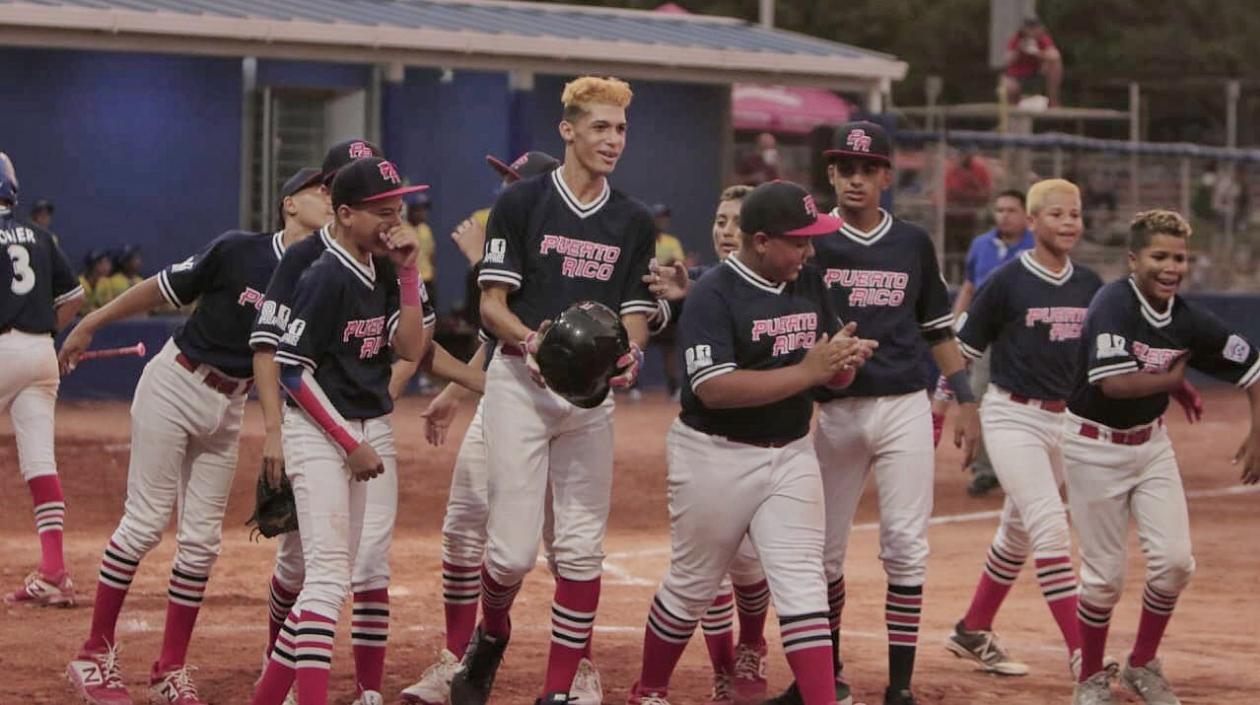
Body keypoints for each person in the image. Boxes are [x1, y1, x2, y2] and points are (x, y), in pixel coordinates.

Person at [60, 164, 329, 705]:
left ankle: (168, 672)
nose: (327, 197)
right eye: (317, 190)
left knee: (202, 544)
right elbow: (160, 289)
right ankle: (93, 655)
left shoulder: (320, 277)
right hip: (176, 384)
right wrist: (91, 323)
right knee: (144, 523)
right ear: (289, 204)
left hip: (229, 407)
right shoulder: (238, 250)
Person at [626, 180, 875, 705]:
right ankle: (648, 690)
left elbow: (830, 371)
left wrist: (840, 366)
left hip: (790, 451)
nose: (809, 250)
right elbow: (715, 390)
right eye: (800, 240)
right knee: (693, 585)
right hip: (714, 455)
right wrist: (810, 371)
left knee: (803, 581)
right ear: (761, 241)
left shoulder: (808, 281)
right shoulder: (713, 295)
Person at [450, 75, 656, 705]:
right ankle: (491, 634)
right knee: (510, 556)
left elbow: (635, 308)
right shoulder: (522, 205)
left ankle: (560, 690)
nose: (612, 140)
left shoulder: (633, 219)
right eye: (599, 126)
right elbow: (491, 304)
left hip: (590, 401)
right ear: (567, 131)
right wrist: (532, 341)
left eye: (620, 128)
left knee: (580, 549)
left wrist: (632, 353)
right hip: (519, 384)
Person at [768, 121, 980, 705]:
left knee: (906, 544)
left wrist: (965, 397)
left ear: (887, 175)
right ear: (831, 175)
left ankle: (901, 687)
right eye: (845, 168)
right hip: (836, 411)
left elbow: (937, 328)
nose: (856, 179)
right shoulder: (815, 243)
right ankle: (824, 674)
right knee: (823, 549)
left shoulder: (911, 242)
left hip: (903, 405)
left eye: (868, 168)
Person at [401, 149, 613, 705]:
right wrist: (454, 391)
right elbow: (498, 336)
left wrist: (475, 260)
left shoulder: (564, 243)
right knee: (464, 525)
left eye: (514, 181)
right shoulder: (513, 230)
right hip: (508, 392)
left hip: (565, 408)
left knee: (567, 546)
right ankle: (456, 659)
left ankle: (578, 669)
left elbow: (526, 317)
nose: (504, 192)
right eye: (504, 182)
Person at [248, 155, 428, 705]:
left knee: (334, 579)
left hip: (356, 430)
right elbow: (291, 370)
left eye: (397, 209)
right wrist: (348, 444)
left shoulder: (379, 269)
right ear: (345, 213)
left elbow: (410, 349)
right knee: (326, 579)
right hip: (320, 432)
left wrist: (409, 274)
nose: (392, 220)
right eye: (380, 211)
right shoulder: (324, 274)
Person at [1066, 210, 1260, 705]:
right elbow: (1112, 382)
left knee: (1175, 563)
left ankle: (1141, 664)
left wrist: (1258, 432)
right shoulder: (1112, 303)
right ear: (1133, 259)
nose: (1171, 266)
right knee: (1104, 579)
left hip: (1150, 446)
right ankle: (1090, 675)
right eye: (1159, 256)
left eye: (1179, 257)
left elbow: (1254, 367)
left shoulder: (1186, 317)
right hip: (1093, 447)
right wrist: (1171, 382)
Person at [941, 179, 1103, 678]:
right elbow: (962, 349)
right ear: (1032, 223)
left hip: (1065, 419)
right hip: (1012, 416)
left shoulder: (1091, 285)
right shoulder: (1008, 281)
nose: (1069, 223)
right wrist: (954, 409)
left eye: (1074, 214)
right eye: (1056, 214)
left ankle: (972, 628)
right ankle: (1085, 656)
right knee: (1050, 525)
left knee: (1016, 531)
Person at [644, 183, 779, 704]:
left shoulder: (785, 285)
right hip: (707, 444)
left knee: (749, 565)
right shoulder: (700, 285)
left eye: (737, 220)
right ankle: (724, 669)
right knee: (707, 569)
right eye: (721, 220)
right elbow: (672, 305)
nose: (726, 229)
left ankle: (751, 645)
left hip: (769, 446)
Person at [0, 153, 85, 607]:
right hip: (38, 353)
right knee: (40, 463)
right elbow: (74, 298)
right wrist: (44, 333)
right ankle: (54, 571)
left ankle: (54, 575)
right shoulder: (38, 234)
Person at [932, 189, 1035, 496]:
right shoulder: (981, 244)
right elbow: (969, 286)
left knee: (1026, 402)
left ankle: (1024, 469)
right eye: (999, 209)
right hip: (986, 336)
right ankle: (984, 470)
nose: (1004, 215)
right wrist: (954, 322)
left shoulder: (1036, 244)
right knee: (976, 396)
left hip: (1025, 338)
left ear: (1026, 216)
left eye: (1011, 210)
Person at [649, 203, 686, 399]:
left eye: (665, 217)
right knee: (635, 342)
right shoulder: (643, 239)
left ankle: (674, 389)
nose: (662, 221)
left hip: (667, 300)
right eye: (658, 217)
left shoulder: (672, 242)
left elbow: (678, 264)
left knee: (669, 347)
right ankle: (631, 386)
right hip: (646, 299)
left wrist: (661, 267)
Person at [1003, 16, 1063, 107]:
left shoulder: (1043, 39)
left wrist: (1037, 52)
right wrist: (1019, 50)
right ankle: (1012, 106)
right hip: (1016, 75)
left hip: (1036, 73)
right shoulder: (1017, 39)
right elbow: (1007, 60)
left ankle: (1053, 100)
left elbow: (1055, 56)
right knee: (1008, 85)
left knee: (1055, 64)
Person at [404, 191, 438, 310]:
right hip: (411, 283)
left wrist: (433, 274)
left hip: (427, 281)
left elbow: (431, 255)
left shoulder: (426, 229)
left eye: (424, 210)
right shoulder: (401, 231)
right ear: (410, 211)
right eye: (419, 210)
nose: (423, 213)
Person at [78, 249, 115, 315]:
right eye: (104, 263)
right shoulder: (79, 283)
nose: (108, 266)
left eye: (108, 262)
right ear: (94, 265)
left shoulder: (105, 282)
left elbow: (109, 306)